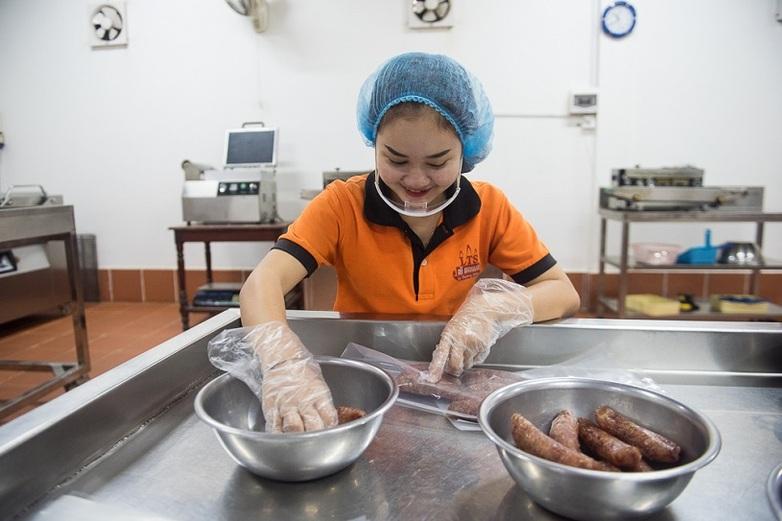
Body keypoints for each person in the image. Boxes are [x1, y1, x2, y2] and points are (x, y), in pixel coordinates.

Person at [238, 52, 580, 432]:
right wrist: (281, 362)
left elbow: (562, 293)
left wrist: (493, 310)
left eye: (437, 163)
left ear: (467, 150)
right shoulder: (341, 205)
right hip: (363, 383)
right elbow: (261, 284)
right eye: (396, 160)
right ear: (373, 143)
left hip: (454, 382)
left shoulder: (489, 208)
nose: (416, 180)